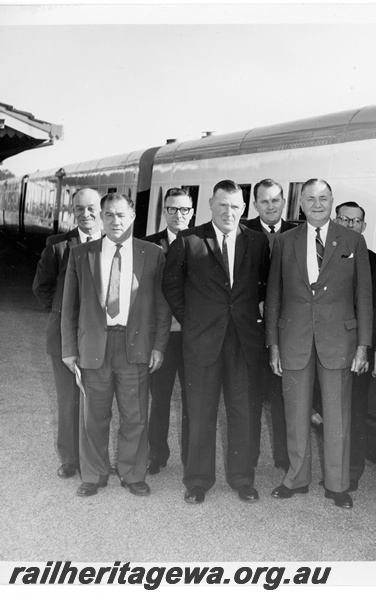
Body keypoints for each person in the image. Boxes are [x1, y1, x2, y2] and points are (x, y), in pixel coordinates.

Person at [266, 178, 372, 510]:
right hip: (293, 338)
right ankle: (295, 479)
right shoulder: (285, 242)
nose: (316, 204)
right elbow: (273, 296)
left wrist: (363, 346)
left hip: (339, 339)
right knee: (295, 412)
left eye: (323, 198)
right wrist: (273, 344)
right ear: (301, 204)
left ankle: (338, 485)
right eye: (310, 198)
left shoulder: (353, 240)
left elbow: (364, 298)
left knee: (337, 415)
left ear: (332, 202)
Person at [162, 180, 270, 505]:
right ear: (210, 204)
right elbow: (171, 286)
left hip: (243, 343)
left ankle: (242, 479)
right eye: (223, 205)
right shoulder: (189, 240)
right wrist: (193, 321)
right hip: (202, 342)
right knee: (200, 413)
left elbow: (262, 288)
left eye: (236, 206)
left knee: (243, 412)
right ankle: (198, 481)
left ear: (244, 208)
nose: (229, 212)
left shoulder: (258, 242)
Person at [61, 193, 171, 497]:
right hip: (94, 345)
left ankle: (132, 474)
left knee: (134, 415)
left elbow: (163, 307)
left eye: (121, 214)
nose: (115, 221)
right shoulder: (82, 255)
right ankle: (93, 474)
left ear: (133, 216)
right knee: (93, 415)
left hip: (134, 346)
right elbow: (68, 306)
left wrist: (159, 346)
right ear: (101, 218)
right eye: (108, 215)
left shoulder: (153, 254)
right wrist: (69, 350)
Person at [33, 188, 102, 479]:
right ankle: (70, 460)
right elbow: (42, 287)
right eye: (79, 209)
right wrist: (64, 315)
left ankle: (97, 459)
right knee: (68, 400)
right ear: (72, 211)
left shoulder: (113, 241)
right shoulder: (58, 245)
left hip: (101, 337)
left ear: (101, 209)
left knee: (99, 400)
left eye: (91, 209)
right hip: (65, 338)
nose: (85, 215)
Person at [242, 179, 297, 472]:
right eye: (264, 201)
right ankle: (247, 460)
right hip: (251, 327)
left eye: (276, 200)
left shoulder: (297, 232)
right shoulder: (242, 231)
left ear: (283, 202)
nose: (271, 206)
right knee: (249, 395)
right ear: (255, 205)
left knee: (283, 395)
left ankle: (284, 458)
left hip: (287, 329)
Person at [142, 188, 194, 474]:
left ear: (193, 211)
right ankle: (156, 454)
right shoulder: (149, 245)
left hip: (192, 337)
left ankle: (191, 457)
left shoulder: (202, 242)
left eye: (184, 209)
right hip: (160, 337)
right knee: (159, 400)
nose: (178, 215)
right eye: (172, 209)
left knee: (192, 400)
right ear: (164, 211)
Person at [334, 201, 376, 491]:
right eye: (344, 219)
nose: (350, 225)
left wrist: (367, 349)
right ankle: (334, 468)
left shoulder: (375, 262)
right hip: (327, 349)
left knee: (354, 414)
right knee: (331, 411)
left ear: (364, 227)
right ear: (336, 221)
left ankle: (351, 472)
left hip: (357, 353)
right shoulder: (320, 257)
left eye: (356, 221)